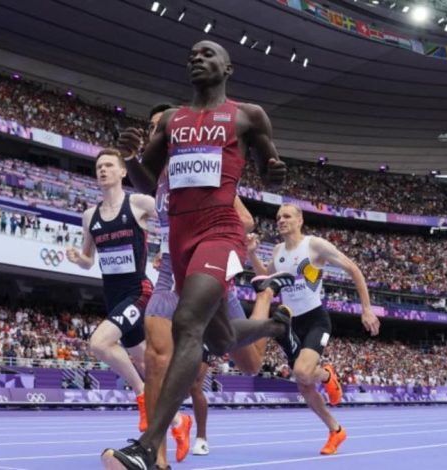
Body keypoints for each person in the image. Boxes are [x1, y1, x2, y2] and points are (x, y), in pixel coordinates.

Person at [102, 40, 289, 470]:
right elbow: (149, 182)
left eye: (207, 54)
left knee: (186, 324)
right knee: (219, 338)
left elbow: (269, 164)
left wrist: (275, 168)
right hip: (180, 243)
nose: (197, 59)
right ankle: (277, 327)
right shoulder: (171, 120)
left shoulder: (247, 115)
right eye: (191, 56)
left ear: (228, 67)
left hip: (219, 232)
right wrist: (131, 157)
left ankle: (147, 448)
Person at [141, 103, 294, 470]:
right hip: (169, 276)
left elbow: (245, 220)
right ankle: (155, 457)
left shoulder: (195, 167)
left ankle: (267, 302)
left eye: (159, 127)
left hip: (206, 269)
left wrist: (205, 238)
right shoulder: (154, 177)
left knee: (251, 364)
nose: (154, 133)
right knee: (157, 356)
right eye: (151, 128)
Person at [247, 203, 380, 455]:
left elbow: (353, 269)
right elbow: (267, 280)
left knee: (302, 371)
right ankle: (335, 430)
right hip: (291, 324)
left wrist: (366, 309)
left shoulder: (314, 246)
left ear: (300, 220)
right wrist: (251, 253)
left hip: (316, 319)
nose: (281, 220)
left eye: (286, 216)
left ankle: (327, 375)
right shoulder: (277, 251)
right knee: (303, 383)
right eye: (278, 217)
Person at [67, 148, 155, 432]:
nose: (102, 170)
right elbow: (89, 260)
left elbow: (172, 218)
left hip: (138, 290)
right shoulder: (89, 215)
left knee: (99, 343)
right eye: (98, 167)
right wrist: (77, 259)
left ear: (122, 172)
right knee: (146, 359)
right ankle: (177, 420)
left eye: (108, 165)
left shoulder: (139, 203)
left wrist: (165, 250)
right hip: (112, 295)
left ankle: (141, 395)